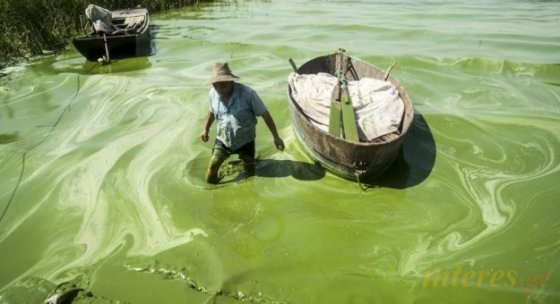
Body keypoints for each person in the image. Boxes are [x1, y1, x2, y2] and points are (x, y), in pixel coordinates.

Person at [200, 62, 285, 184]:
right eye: (215, 85)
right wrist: (205, 129)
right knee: (212, 167)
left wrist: (276, 137)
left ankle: (248, 188)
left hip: (246, 140)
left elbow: (265, 114)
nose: (219, 89)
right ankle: (212, 190)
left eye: (223, 85)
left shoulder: (248, 94)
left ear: (230, 81)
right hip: (223, 139)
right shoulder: (213, 94)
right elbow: (212, 111)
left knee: (249, 169)